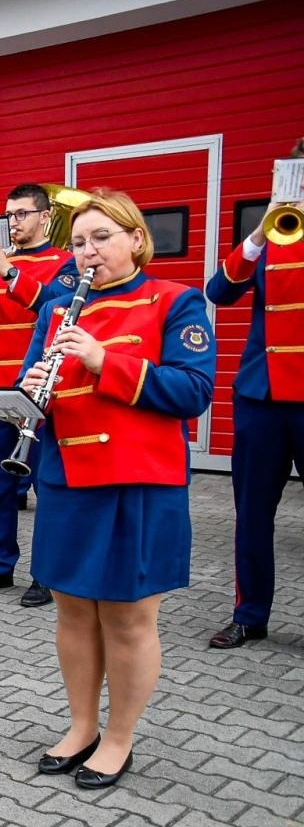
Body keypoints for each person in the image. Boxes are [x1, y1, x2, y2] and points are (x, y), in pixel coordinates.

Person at [18, 190, 215, 789]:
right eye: (78, 242)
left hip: (139, 483)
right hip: (69, 479)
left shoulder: (174, 303)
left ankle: (120, 737)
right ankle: (81, 725)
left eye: (102, 237)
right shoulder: (56, 308)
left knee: (128, 617)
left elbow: (193, 391)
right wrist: (31, 395)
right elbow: (35, 390)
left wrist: (106, 361)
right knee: (73, 610)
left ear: (135, 239)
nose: (88, 251)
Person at [0, 184, 79, 608]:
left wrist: (8, 271)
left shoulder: (65, 263)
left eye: (22, 214)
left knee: (46, 486)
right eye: (9, 215)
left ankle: (46, 573)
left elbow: (54, 307)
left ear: (44, 217)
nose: (13, 223)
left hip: (43, 386)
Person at [204, 137, 304, 650]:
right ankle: (250, 614)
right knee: (253, 513)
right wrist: (260, 235)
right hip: (261, 396)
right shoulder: (275, 236)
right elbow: (218, 292)